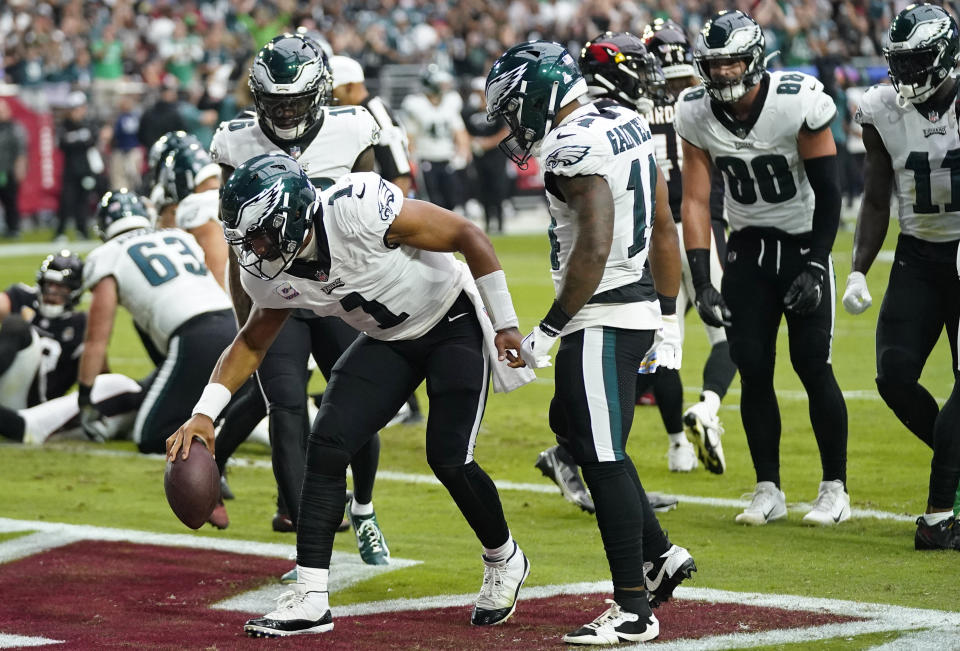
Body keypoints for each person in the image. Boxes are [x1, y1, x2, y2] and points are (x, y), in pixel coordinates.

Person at [166, 153, 534, 638]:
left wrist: (505, 322)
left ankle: (504, 557)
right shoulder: (269, 267)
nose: (252, 249)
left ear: (290, 215)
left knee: (448, 456)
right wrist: (204, 414)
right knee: (327, 444)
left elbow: (468, 235)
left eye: (259, 234)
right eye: (245, 237)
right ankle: (312, 597)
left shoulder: (355, 208)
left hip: (451, 323)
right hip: (388, 341)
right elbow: (253, 341)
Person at [487, 41, 694, 644]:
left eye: (515, 106)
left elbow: (596, 244)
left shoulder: (572, 147)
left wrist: (548, 329)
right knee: (575, 430)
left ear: (540, 94)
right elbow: (660, 219)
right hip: (629, 307)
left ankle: (633, 606)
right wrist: (668, 314)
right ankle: (659, 555)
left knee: (602, 460)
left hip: (601, 315)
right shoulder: (625, 120)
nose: (514, 121)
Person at [210, 32, 388, 565]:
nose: (286, 112)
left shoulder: (353, 128)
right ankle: (306, 537)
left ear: (319, 94)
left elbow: (379, 213)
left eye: (296, 100)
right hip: (275, 294)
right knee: (285, 405)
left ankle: (363, 506)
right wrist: (247, 321)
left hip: (340, 291)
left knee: (354, 404)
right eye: (276, 101)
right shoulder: (235, 141)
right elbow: (234, 236)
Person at [677, 10, 849, 526]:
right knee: (752, 367)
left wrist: (817, 265)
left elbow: (831, 191)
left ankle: (835, 487)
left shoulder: (796, 100)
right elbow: (694, 200)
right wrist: (703, 278)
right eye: (715, 63)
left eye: (732, 62)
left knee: (812, 364)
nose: (723, 73)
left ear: (753, 60)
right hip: (747, 248)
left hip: (800, 243)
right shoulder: (693, 112)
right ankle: (768, 487)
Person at [844, 3, 960, 549]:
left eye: (917, 62)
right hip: (919, 255)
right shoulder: (881, 108)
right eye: (901, 62)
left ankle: (939, 512)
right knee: (892, 375)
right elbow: (875, 194)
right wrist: (858, 269)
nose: (905, 76)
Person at [329, 53, 424, 424]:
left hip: (383, 224)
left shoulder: (371, 112)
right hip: (374, 222)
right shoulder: (357, 114)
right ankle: (394, 397)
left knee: (386, 310)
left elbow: (399, 172)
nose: (330, 100)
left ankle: (403, 401)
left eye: (335, 92)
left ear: (352, 85)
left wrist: (381, 227)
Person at [401, 64, 471, 210]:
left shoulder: (451, 102)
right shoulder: (415, 104)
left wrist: (463, 152)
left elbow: (460, 131)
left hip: (447, 159)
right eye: (440, 84)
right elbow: (409, 136)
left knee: (451, 201)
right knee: (433, 202)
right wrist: (412, 158)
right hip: (426, 160)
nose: (444, 87)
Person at [462, 77, 511, 234]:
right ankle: (489, 223)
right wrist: (473, 144)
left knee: (498, 188)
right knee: (482, 189)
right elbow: (463, 132)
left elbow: (505, 132)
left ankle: (500, 223)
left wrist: (486, 143)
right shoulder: (468, 112)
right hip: (479, 157)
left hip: (496, 156)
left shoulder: (497, 110)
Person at [56, 92, 100, 240]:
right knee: (66, 201)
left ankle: (82, 231)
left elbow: (92, 140)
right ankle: (60, 232)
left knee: (84, 201)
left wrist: (75, 141)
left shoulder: (89, 123)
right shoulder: (65, 125)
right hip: (70, 169)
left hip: (85, 168)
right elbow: (63, 144)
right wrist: (80, 140)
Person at [0, 98, 27, 238]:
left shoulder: (14, 127)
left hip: (8, 170)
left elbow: (21, 150)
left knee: (10, 201)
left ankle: (14, 228)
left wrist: (20, 167)